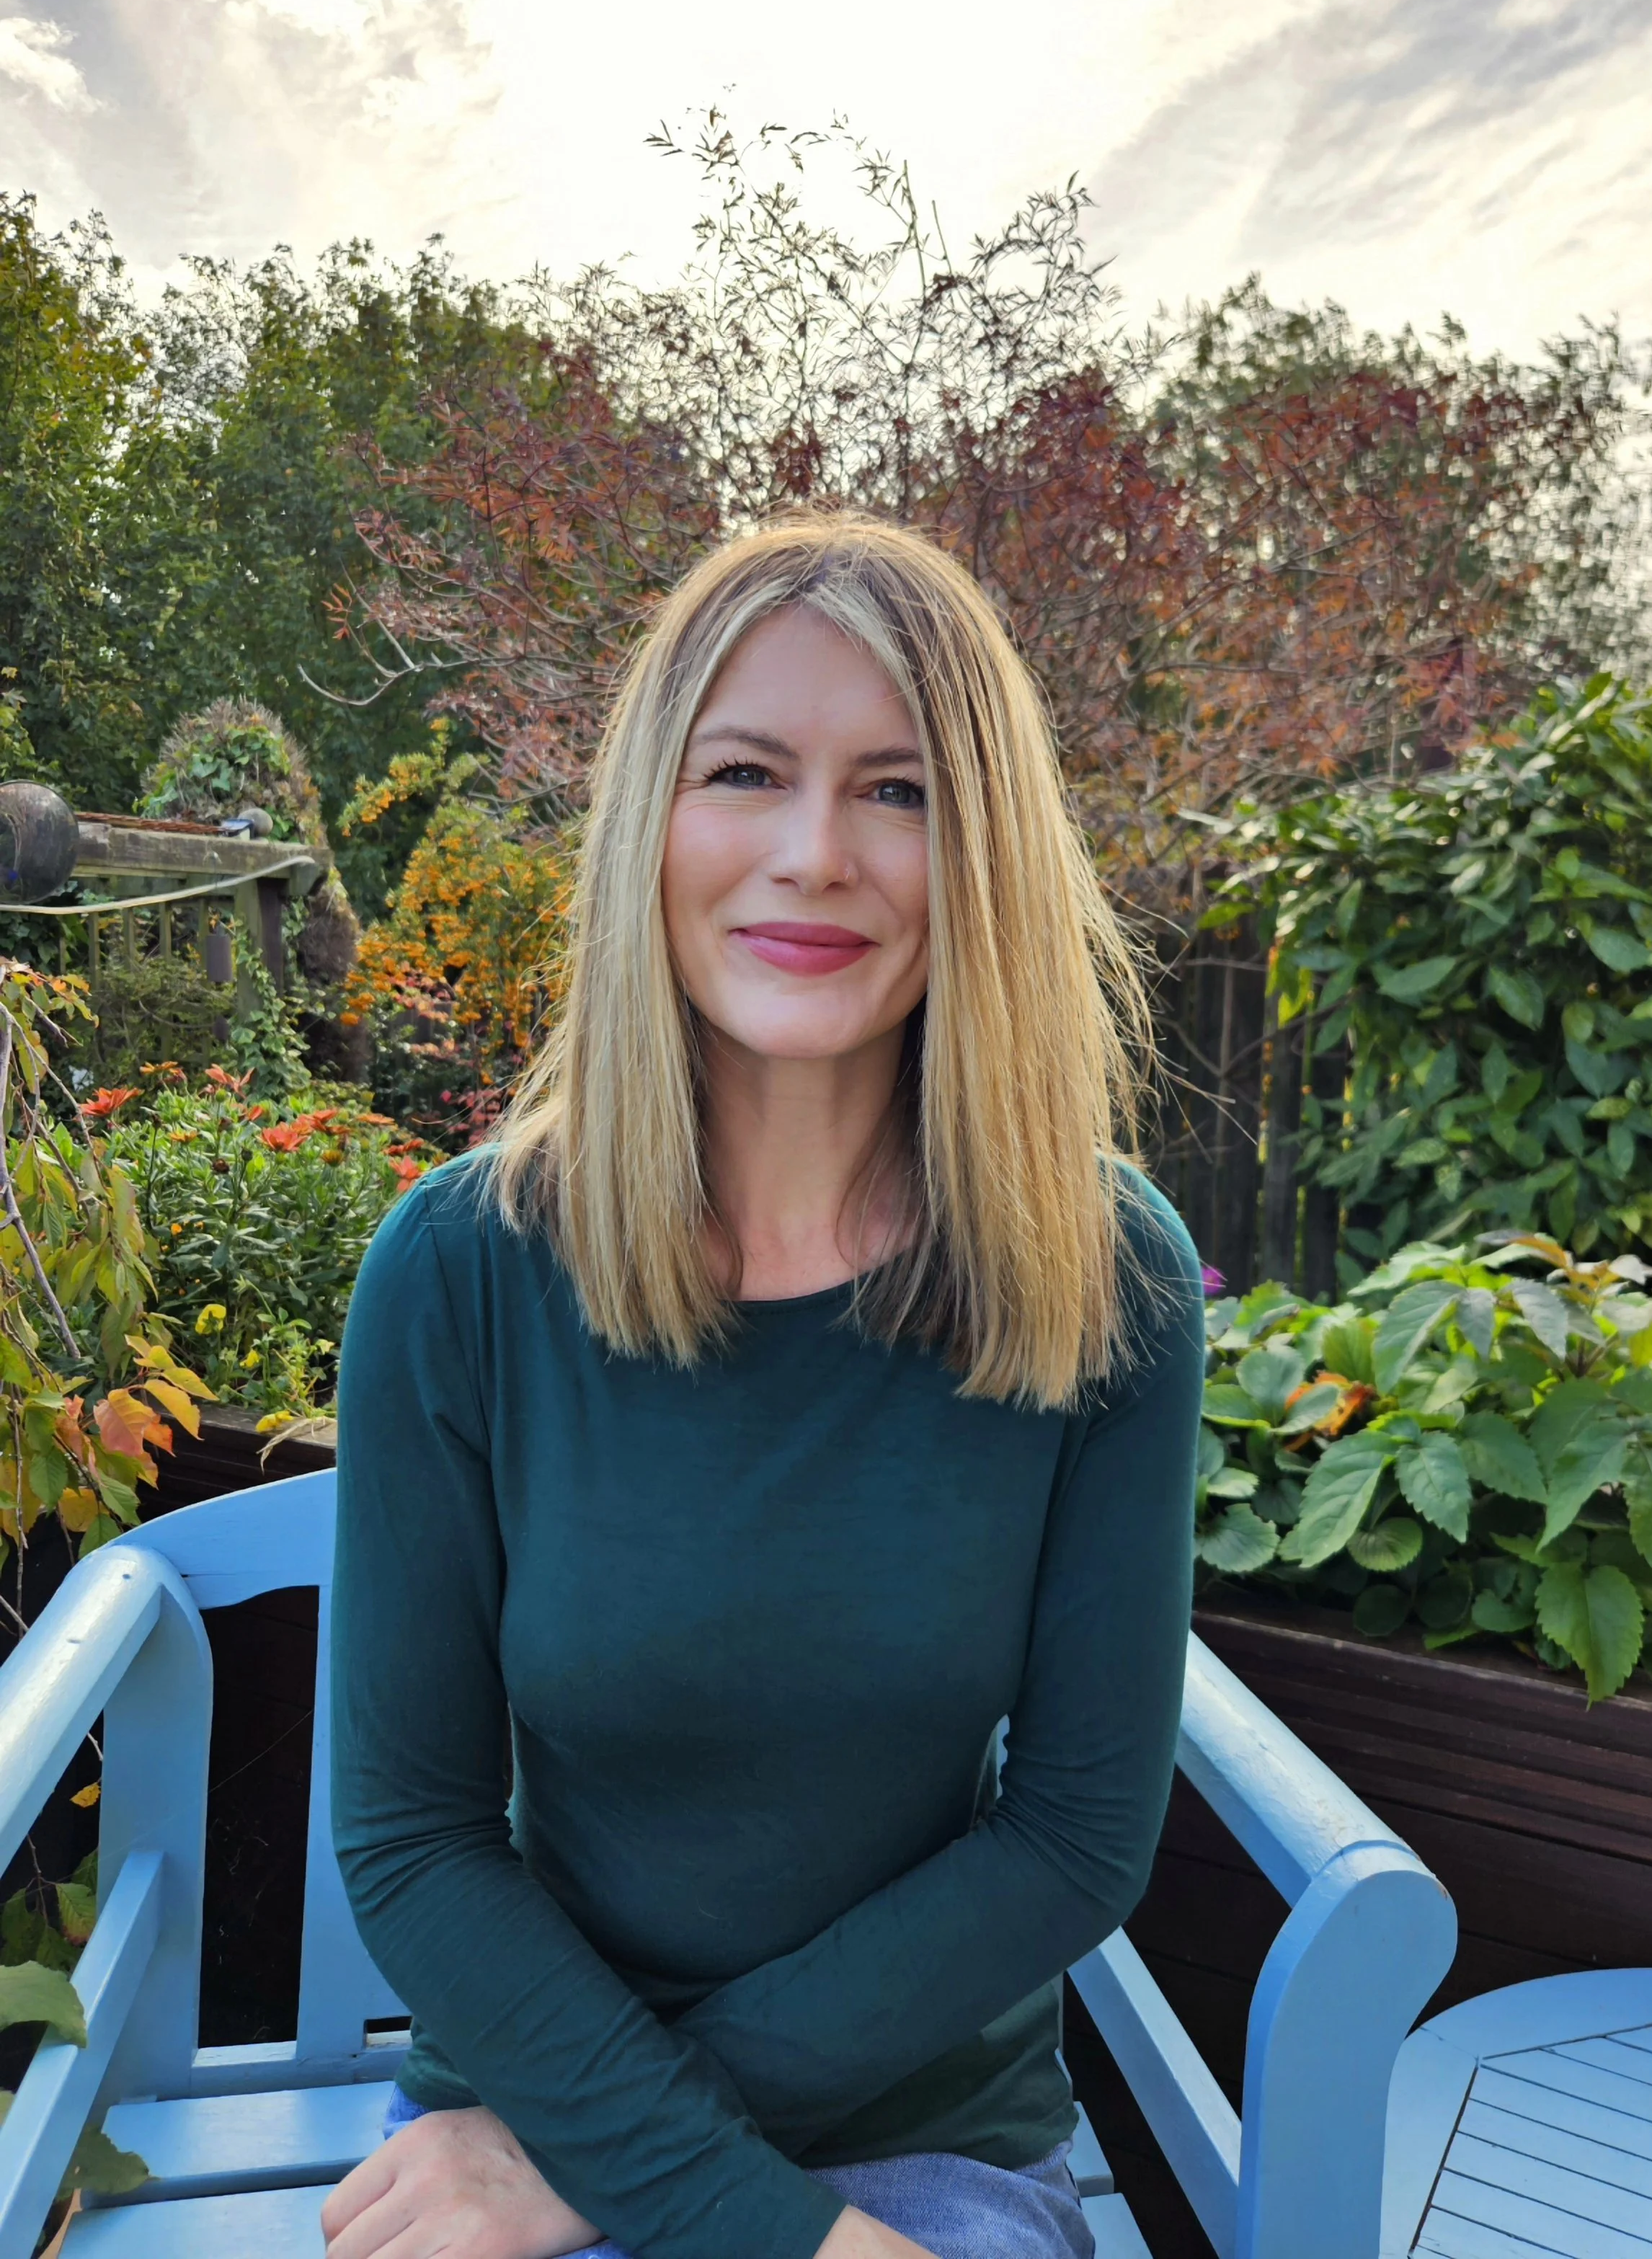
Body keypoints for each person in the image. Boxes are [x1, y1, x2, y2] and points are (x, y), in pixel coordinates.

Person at [321, 512, 1206, 2259]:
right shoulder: (461, 1269)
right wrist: (688, 2184)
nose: (814, 854)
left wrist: (640, 2170)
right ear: (650, 823)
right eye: (744, 772)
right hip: (531, 2091)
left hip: (908, 2131)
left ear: (985, 853)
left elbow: (1074, 1833)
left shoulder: (1103, 1277)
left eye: (899, 791)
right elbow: (414, 1835)